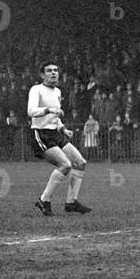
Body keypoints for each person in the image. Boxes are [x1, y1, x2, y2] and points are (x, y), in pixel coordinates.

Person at [28, 62, 92, 215]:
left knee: (80, 163)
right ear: (42, 75)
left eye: (56, 70)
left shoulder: (57, 91)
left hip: (55, 133)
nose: (53, 73)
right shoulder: (36, 89)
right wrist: (49, 109)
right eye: (49, 71)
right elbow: (31, 111)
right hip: (41, 134)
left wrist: (63, 128)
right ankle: (44, 200)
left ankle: (71, 202)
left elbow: (55, 116)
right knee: (65, 165)